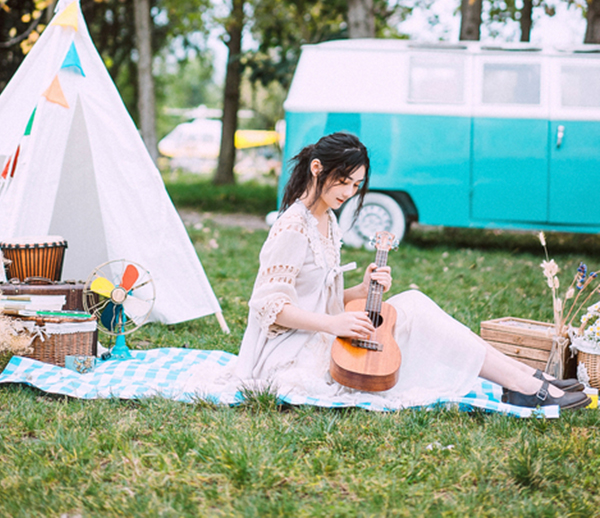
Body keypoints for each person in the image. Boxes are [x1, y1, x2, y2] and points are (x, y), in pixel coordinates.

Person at [233, 132, 589, 411]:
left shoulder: (326, 219)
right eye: (344, 181)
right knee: (417, 317)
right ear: (316, 169)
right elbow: (270, 308)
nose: (350, 192)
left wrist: (361, 289)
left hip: (320, 332)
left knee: (414, 303)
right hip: (286, 354)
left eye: (356, 185)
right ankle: (524, 385)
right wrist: (334, 324)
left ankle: (526, 378)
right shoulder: (293, 226)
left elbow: (317, 296)